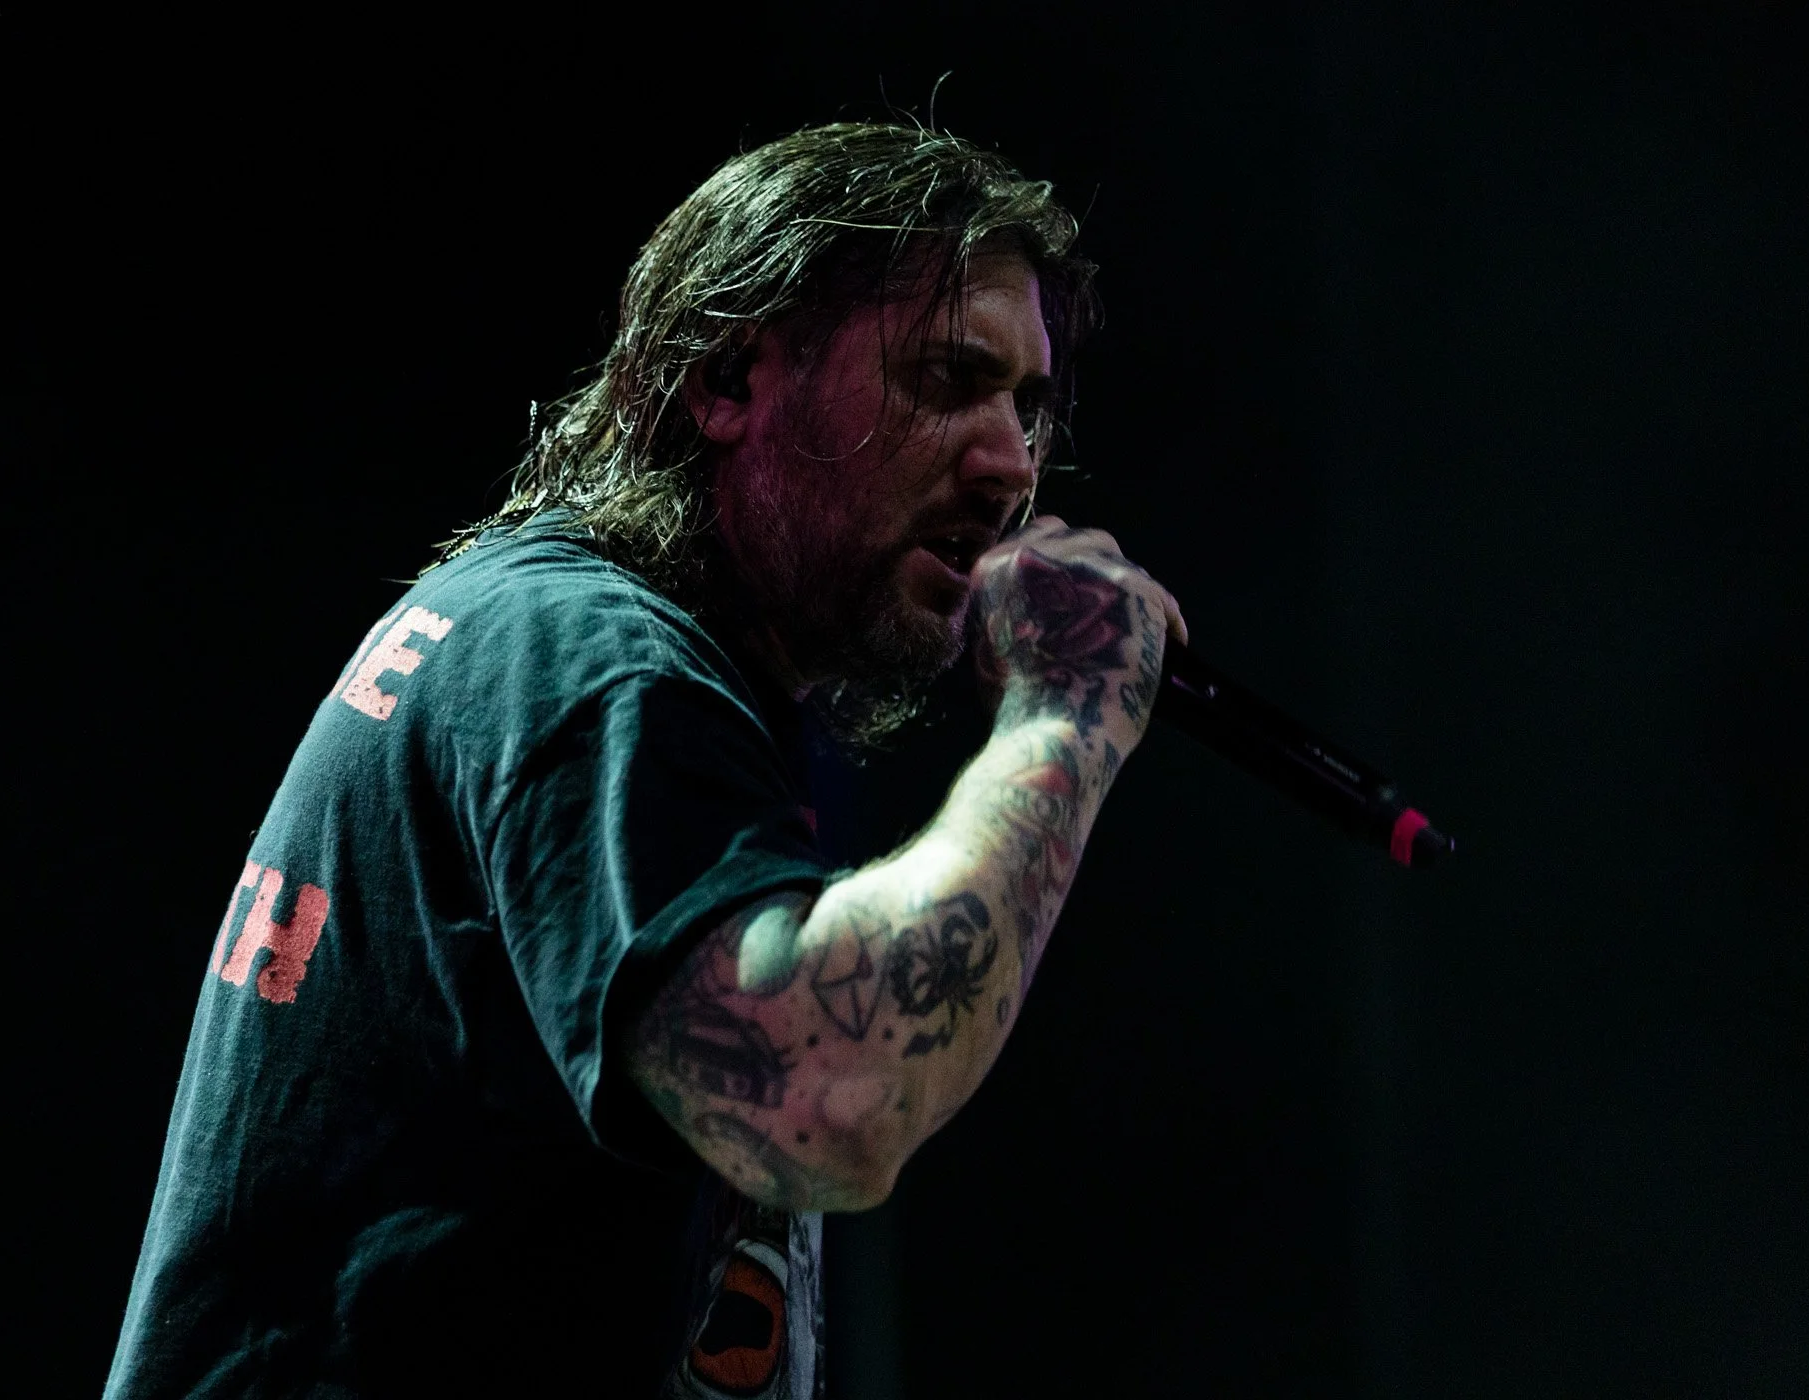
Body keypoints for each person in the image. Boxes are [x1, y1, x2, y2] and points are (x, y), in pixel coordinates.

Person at [104, 120, 1186, 1399]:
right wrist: (1063, 714)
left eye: (1029, 407)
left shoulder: (575, 654)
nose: (1011, 465)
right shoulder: (592, 664)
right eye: (949, 378)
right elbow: (826, 1094)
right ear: (729, 379)